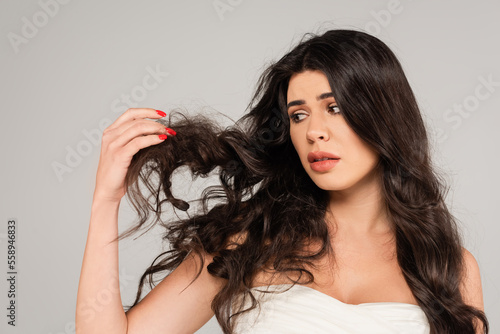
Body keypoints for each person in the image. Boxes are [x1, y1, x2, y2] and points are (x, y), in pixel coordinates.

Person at [76, 29, 489, 334]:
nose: (315, 132)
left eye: (336, 108)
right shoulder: (247, 240)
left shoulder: (449, 267)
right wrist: (105, 199)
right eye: (299, 115)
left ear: (383, 115)